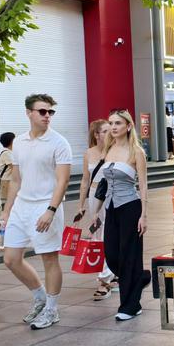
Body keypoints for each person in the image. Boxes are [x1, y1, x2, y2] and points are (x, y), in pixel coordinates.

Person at [0, 94, 72, 330]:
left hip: (45, 205)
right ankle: (40, 298)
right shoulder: (18, 142)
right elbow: (16, 181)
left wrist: (51, 210)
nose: (47, 116)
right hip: (21, 206)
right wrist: (5, 212)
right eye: (42, 111)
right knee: (10, 259)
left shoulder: (59, 143)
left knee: (49, 258)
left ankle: (51, 309)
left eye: (50, 112)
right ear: (29, 112)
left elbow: (62, 181)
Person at [96, 109, 151, 321]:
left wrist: (144, 215)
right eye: (111, 123)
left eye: (118, 123)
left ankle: (130, 305)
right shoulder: (108, 149)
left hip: (130, 206)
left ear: (128, 126)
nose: (113, 127)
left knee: (129, 255)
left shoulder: (136, 151)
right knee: (111, 254)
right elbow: (103, 183)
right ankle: (139, 277)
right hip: (110, 207)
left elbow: (144, 186)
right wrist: (95, 212)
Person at [75, 119, 116, 301]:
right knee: (98, 235)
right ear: (96, 134)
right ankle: (104, 279)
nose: (110, 133)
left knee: (112, 235)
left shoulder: (116, 152)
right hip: (95, 194)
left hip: (114, 195)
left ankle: (110, 274)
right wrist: (81, 205)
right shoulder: (89, 154)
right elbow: (85, 180)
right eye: (105, 131)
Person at [0, 132, 15, 203]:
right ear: (11, 141)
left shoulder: (11, 152)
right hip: (7, 181)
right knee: (8, 202)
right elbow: (15, 167)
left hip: (10, 181)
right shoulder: (6, 153)